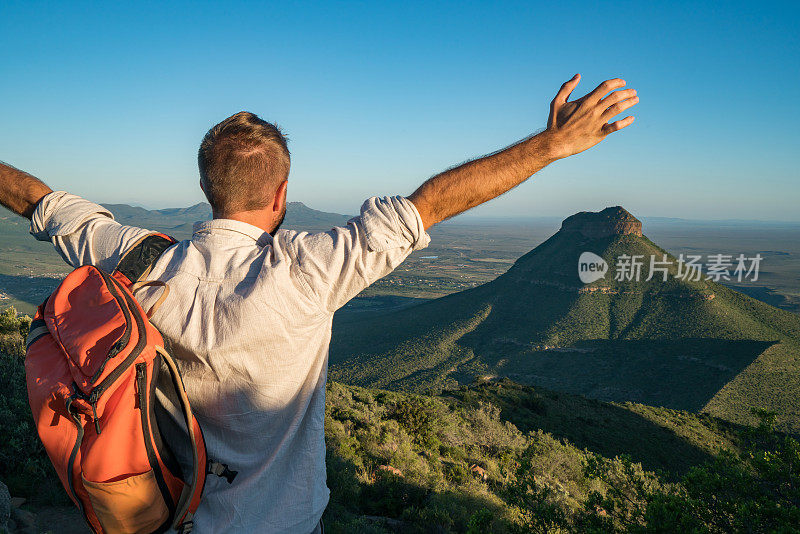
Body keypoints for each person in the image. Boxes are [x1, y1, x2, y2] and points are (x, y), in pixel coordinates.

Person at [0, 74, 637, 533]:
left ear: (204, 187)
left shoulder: (135, 260)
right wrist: (551, 146)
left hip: (158, 517)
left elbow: (38, 200)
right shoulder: (306, 271)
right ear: (281, 193)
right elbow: (436, 201)